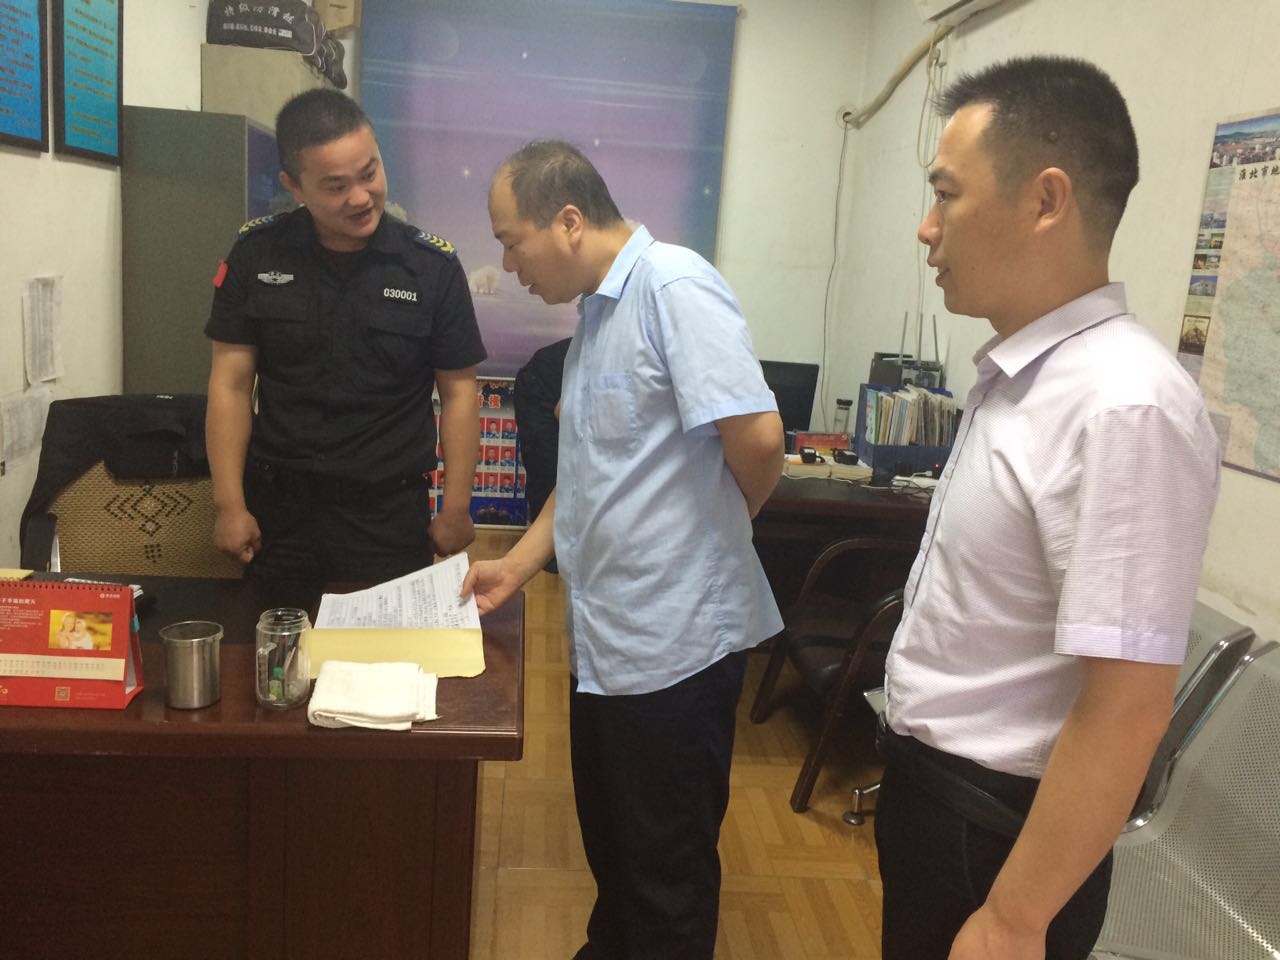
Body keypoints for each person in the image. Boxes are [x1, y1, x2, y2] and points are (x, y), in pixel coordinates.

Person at [875, 56, 1220, 960]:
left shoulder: (1124, 404)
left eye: (946, 194)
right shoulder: (1023, 377)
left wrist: (1015, 917)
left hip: (999, 835)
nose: (927, 228)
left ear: (1046, 200)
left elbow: (1128, 705)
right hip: (937, 803)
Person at [462, 140, 784, 959]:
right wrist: (517, 564)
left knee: (665, 873)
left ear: (568, 221)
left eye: (512, 242)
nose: (508, 264)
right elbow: (589, 474)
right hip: (607, 643)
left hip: (675, 649)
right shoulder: (599, 315)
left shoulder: (674, 288)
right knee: (617, 854)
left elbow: (759, 441)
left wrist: (716, 530)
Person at [205, 89, 485, 581]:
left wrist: (456, 507)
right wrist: (229, 505)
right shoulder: (257, 254)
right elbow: (230, 384)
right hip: (280, 514)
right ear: (294, 186)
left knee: (390, 635)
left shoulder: (431, 267)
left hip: (388, 516)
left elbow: (459, 392)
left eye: (369, 173)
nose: (360, 197)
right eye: (336, 186)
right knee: (277, 633)